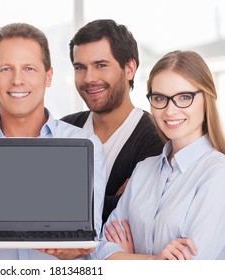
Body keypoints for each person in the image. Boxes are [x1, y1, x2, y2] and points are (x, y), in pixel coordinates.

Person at [0, 22, 107, 260]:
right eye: (6, 69)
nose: (17, 80)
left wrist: (78, 248)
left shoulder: (85, 145)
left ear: (48, 76)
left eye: (29, 68)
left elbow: (92, 235)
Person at [94, 50, 225, 260]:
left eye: (184, 97)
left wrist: (127, 258)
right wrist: (153, 261)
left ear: (207, 99)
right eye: (159, 98)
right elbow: (100, 253)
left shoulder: (218, 174)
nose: (170, 110)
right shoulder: (144, 169)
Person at [61, 19, 163, 223]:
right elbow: (43, 207)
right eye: (80, 67)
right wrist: (113, 201)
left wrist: (71, 201)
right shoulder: (63, 130)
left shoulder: (155, 139)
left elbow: (134, 220)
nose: (89, 78)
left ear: (129, 68)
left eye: (100, 65)